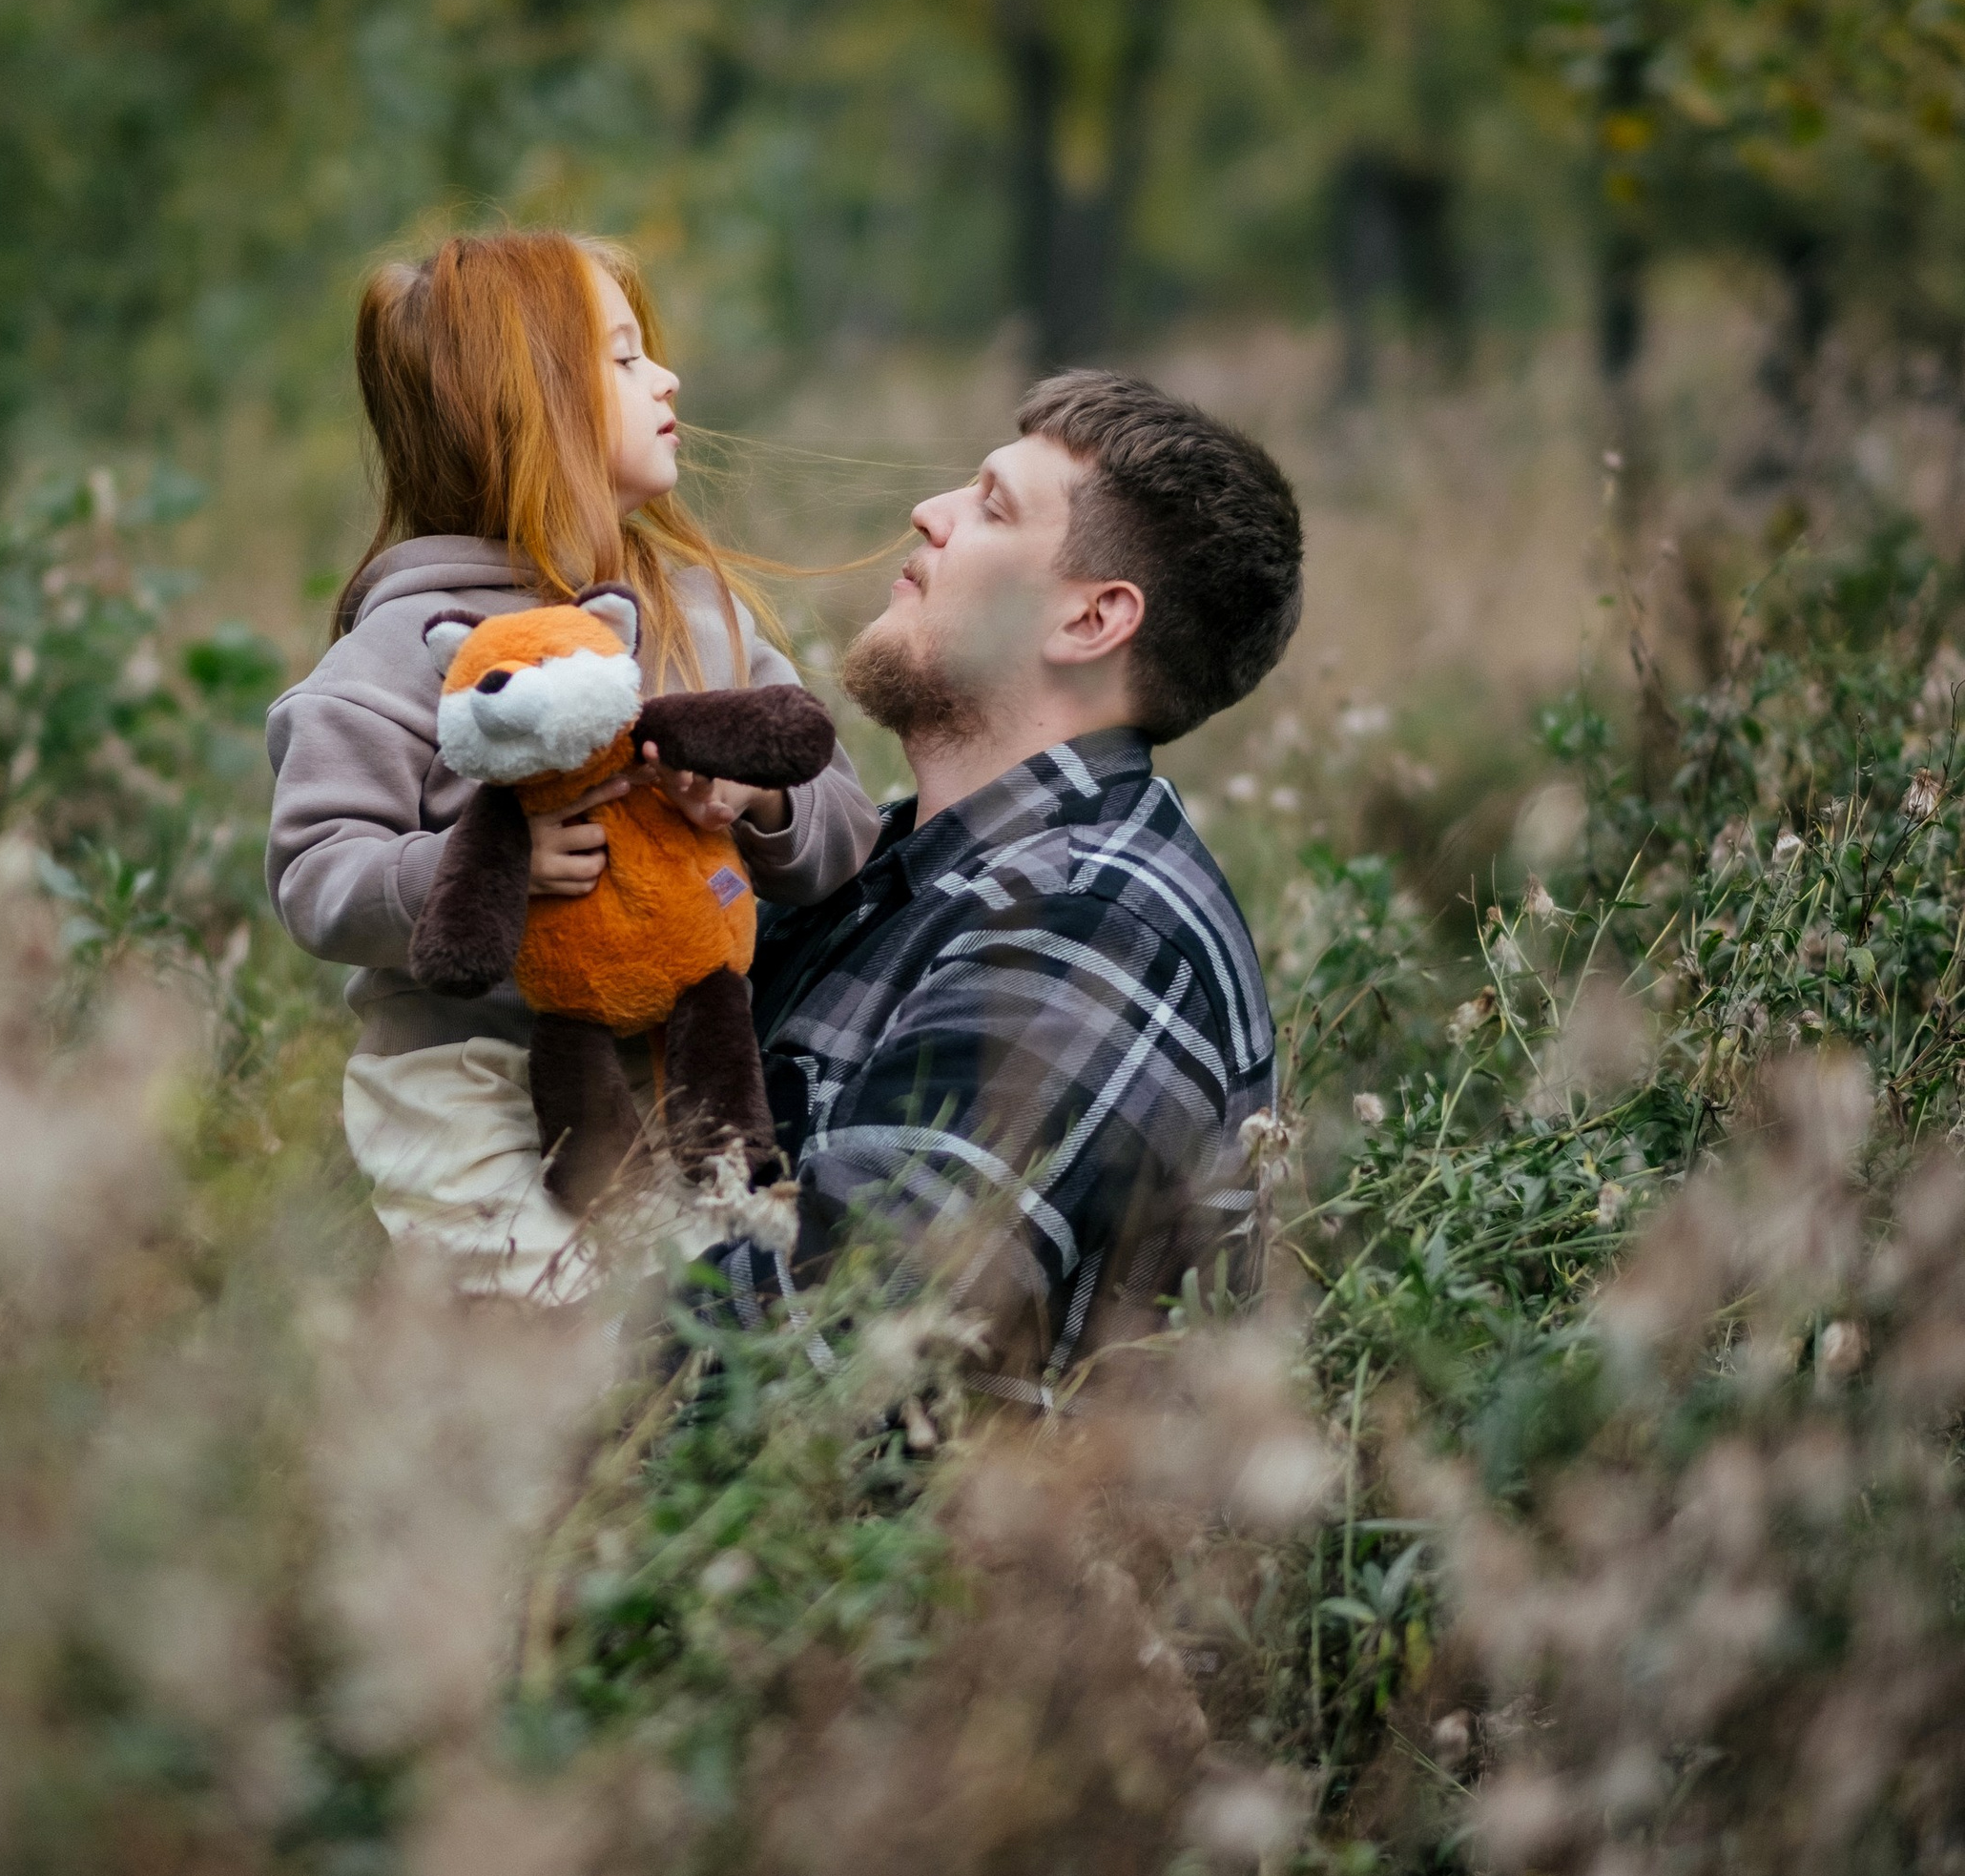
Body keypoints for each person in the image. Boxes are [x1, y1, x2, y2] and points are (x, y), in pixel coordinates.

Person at [267, 229, 880, 1292]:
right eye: (626, 357)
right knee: (536, 1323)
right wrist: (478, 868)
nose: (668, 378)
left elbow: (843, 819)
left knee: (699, 1328)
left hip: (675, 1067)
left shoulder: (699, 618)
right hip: (461, 1079)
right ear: (521, 406)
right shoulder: (400, 655)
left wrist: (758, 802)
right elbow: (316, 875)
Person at [721, 370, 1302, 1389]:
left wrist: (496, 1344)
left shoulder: (1090, 927)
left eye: (989, 507)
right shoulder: (878, 866)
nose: (928, 513)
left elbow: (825, 1342)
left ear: (1090, 622)